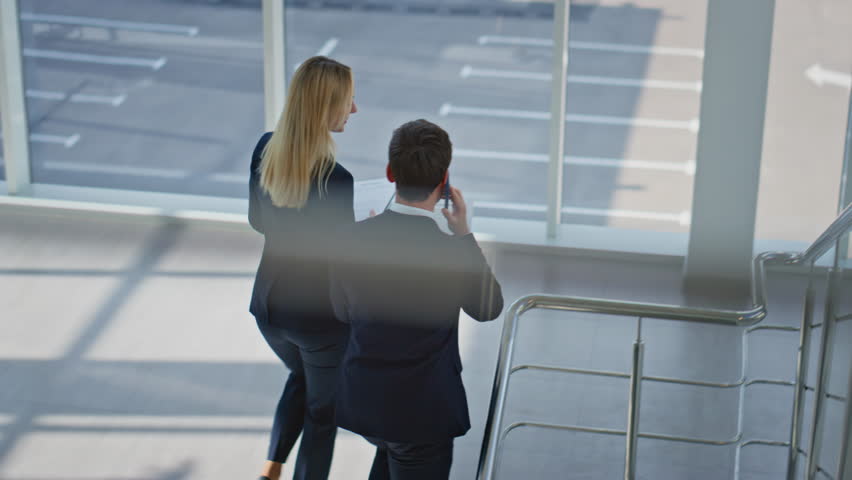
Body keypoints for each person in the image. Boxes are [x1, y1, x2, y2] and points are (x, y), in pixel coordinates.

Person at [329, 119, 504, 479]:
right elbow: (488, 308)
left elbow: (340, 310)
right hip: (422, 413)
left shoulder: (349, 239)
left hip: (364, 401)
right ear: (444, 182)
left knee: (391, 452)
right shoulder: (451, 252)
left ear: (391, 172)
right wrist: (464, 235)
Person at [248, 56, 357, 480]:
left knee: (303, 375)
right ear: (325, 105)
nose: (354, 109)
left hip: (269, 308)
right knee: (322, 413)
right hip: (319, 319)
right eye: (348, 100)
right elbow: (345, 264)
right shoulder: (338, 180)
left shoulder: (265, 148)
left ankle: (271, 469)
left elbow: (260, 221)